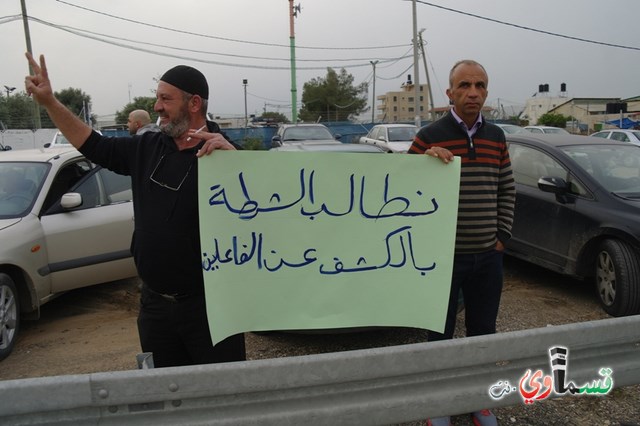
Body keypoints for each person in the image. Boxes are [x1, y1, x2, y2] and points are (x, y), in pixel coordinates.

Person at [25, 53, 246, 368]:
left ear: (194, 103)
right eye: (157, 98)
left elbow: (271, 205)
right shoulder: (145, 148)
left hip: (212, 308)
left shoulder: (228, 155)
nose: (156, 106)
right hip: (155, 308)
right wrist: (50, 102)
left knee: (223, 394)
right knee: (163, 396)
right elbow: (92, 144)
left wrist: (237, 162)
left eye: (165, 99)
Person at [407, 60, 516, 426]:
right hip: (442, 259)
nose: (474, 92)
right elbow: (404, 189)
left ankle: (479, 401)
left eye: (481, 85)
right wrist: (423, 161)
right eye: (465, 85)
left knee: (483, 332)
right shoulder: (429, 135)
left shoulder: (497, 136)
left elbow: (506, 188)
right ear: (450, 92)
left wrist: (502, 237)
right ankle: (437, 404)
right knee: (439, 333)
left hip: (488, 256)